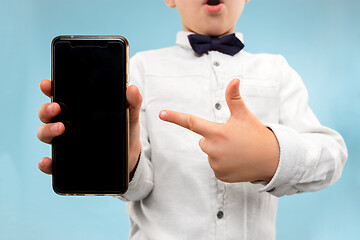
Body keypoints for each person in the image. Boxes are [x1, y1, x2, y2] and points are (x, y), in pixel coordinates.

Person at [37, 0, 348, 239]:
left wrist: (273, 155)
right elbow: (138, 188)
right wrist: (127, 164)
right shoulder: (140, 69)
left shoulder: (277, 71)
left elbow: (332, 155)